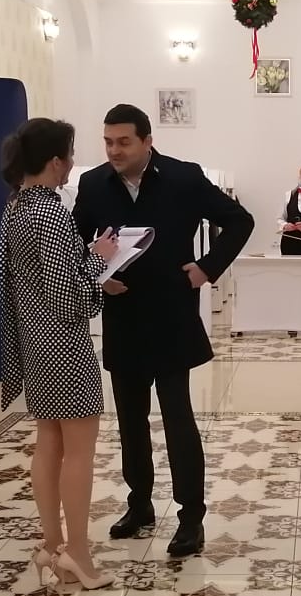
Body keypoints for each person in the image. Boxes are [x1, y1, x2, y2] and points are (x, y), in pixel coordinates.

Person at [72, 104, 254, 557]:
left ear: (147, 141)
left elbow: (240, 220)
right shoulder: (94, 184)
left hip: (172, 316)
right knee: (130, 422)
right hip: (122, 318)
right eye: (108, 142)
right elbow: (73, 243)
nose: (114, 150)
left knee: (178, 420)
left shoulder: (183, 178)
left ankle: (191, 517)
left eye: (124, 142)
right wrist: (96, 274)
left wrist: (207, 268)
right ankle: (139, 506)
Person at [0, 118, 119, 590]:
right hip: (63, 345)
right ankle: (79, 554)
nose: (71, 165)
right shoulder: (50, 212)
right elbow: (70, 295)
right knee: (80, 452)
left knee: (48, 443)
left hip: (33, 340)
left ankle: (51, 545)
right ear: (54, 161)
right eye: (69, 156)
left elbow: (40, 276)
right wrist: (100, 258)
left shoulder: (15, 206)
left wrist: (85, 259)